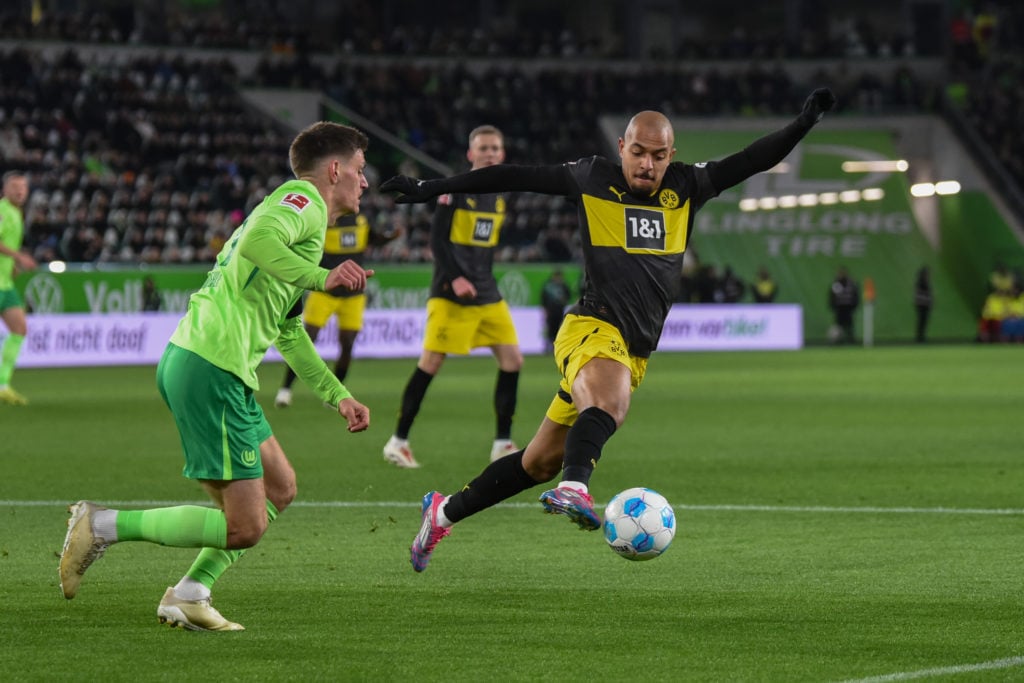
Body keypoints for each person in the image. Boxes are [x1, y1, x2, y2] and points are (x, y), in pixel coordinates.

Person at [380, 88, 837, 572]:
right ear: (622, 146)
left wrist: (802, 124)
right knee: (610, 405)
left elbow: (750, 160)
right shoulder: (592, 177)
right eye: (638, 152)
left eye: (658, 156)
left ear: (671, 156)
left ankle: (442, 511)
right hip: (590, 327)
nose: (647, 164)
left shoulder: (687, 187)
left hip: (634, 349)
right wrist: (433, 187)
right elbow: (517, 176)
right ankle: (576, 485)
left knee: (536, 463)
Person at [58, 121, 374, 631]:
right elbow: (255, 243)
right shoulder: (302, 201)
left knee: (280, 487)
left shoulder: (305, 230)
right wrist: (323, 278)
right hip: (212, 366)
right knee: (244, 525)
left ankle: (190, 592)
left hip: (211, 366)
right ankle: (100, 525)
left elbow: (288, 331)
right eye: (360, 170)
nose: (364, 182)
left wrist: (338, 395)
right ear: (334, 169)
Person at [382, 125, 523, 468]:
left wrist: (477, 276)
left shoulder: (502, 195)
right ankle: (397, 441)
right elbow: (437, 242)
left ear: (502, 154)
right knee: (430, 363)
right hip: (451, 293)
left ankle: (502, 443)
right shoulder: (454, 190)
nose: (489, 153)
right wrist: (457, 277)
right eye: (483, 148)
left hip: (487, 293)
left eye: (494, 148)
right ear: (471, 154)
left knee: (513, 361)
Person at [275, 212, 400, 408]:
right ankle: (286, 389)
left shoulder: (361, 220)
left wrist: (389, 237)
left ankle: (338, 394)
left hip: (353, 294)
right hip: (324, 290)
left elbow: (373, 239)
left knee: (348, 343)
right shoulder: (324, 219)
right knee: (307, 338)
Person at [0, 171, 36, 406]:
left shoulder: (17, 212)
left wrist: (12, 265)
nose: (20, 191)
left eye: (23, 187)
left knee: (19, 328)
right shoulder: (3, 210)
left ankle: (3, 385)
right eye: (15, 187)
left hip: (5, 283)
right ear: (5, 189)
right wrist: (19, 257)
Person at [540, 268, 572, 352]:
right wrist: (544, 309)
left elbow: (568, 295)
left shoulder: (563, 286)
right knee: (550, 328)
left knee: (559, 328)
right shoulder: (548, 286)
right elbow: (543, 298)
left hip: (559, 310)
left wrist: (564, 301)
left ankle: (556, 346)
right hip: (551, 310)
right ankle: (548, 346)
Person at [828, 266, 860, 344]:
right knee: (839, 326)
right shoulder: (836, 284)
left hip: (848, 308)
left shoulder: (851, 283)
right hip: (839, 308)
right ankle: (838, 341)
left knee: (849, 325)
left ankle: (850, 340)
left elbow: (855, 295)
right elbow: (832, 296)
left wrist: (854, 305)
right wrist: (833, 306)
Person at [913, 266, 933, 343]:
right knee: (921, 322)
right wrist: (927, 300)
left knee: (923, 322)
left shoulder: (925, 282)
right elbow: (919, 295)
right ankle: (920, 338)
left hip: (925, 305)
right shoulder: (921, 283)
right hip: (922, 305)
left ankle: (921, 337)